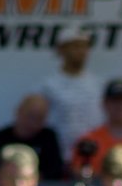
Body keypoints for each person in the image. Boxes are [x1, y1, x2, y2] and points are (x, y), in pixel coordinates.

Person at [39, 25, 102, 155]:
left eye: (84, 46)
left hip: (94, 155)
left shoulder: (99, 84)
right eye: (75, 46)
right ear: (61, 50)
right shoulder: (47, 86)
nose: (81, 51)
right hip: (59, 155)